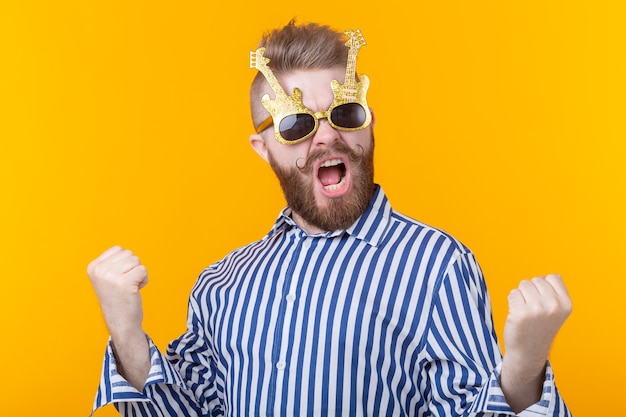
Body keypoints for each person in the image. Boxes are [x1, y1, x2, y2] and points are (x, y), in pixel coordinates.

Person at [88, 21, 572, 416]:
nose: (326, 138)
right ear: (264, 148)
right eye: (296, 124)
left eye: (345, 113)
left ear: (369, 121)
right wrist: (127, 335)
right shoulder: (222, 284)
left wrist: (524, 370)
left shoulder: (436, 267)